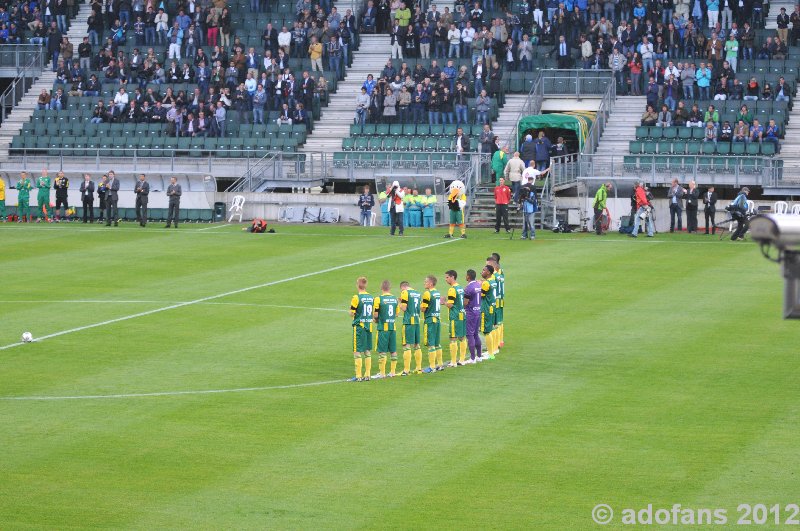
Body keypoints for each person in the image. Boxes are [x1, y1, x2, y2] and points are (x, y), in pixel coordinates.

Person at [372, 279, 399, 379]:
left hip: (383, 328)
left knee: (382, 351)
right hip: (392, 327)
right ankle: (392, 372)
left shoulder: (378, 299)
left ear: (381, 288)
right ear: (389, 288)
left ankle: (382, 373)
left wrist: (375, 320)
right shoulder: (395, 299)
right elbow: (396, 314)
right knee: (393, 350)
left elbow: (375, 314)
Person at [349, 276, 374, 381]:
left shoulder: (356, 297)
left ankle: (358, 375)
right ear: (365, 285)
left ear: (357, 285)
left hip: (359, 327)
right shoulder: (371, 297)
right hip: (369, 326)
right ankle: (367, 375)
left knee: (357, 351)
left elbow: (351, 313)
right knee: (367, 351)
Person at [399, 280, 423, 375]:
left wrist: (399, 302)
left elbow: (404, 308)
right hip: (417, 320)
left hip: (408, 322)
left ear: (403, 287)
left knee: (406, 345)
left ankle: (406, 370)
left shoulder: (405, 293)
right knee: (417, 345)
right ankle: (419, 368)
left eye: (401, 290)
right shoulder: (417, 293)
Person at [444, 269, 467, 367]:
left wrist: (443, 302)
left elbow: (450, 305)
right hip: (462, 314)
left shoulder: (452, 289)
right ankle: (462, 360)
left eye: (447, 277)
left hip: (455, 316)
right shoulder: (460, 288)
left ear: (452, 277)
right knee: (462, 337)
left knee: (453, 338)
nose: (446, 280)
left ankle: (453, 362)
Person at [421, 274, 443, 372]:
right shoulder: (437, 293)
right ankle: (440, 364)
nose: (424, 283)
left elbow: (423, 309)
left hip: (430, 320)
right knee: (437, 344)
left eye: (426, 281)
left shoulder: (427, 293)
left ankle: (432, 367)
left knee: (431, 344)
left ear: (430, 283)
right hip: (437, 319)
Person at [462, 269, 483, 362]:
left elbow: (465, 303)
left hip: (470, 313)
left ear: (468, 277)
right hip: (478, 311)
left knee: (469, 335)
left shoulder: (468, 288)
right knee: (475, 334)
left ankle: (472, 358)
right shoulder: (478, 285)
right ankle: (479, 356)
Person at [480, 264, 497, 359]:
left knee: (486, 331)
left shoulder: (486, 283)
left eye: (484, 270)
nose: (482, 271)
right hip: (492, 306)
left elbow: (481, 295)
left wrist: (479, 285)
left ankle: (490, 354)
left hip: (486, 308)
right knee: (490, 329)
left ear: (489, 272)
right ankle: (492, 351)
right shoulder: (492, 281)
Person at [488, 253, 505, 350]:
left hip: (495, 300)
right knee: (500, 321)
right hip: (501, 298)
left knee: (495, 323)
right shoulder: (500, 272)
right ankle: (500, 341)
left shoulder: (494, 274)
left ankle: (496, 344)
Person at [519, 175, 538, 240]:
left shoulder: (532, 194)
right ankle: (524, 235)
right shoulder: (523, 194)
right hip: (525, 209)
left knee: (531, 223)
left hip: (531, 210)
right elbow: (521, 200)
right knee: (525, 223)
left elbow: (532, 201)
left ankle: (532, 235)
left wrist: (527, 198)